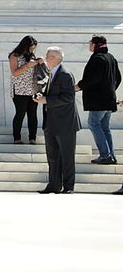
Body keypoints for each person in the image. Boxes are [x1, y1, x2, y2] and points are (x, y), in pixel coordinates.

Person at [35, 46, 79, 194]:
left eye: (47, 56)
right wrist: (41, 96)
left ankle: (68, 187)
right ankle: (53, 185)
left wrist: (47, 99)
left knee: (66, 156)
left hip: (65, 123)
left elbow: (69, 97)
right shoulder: (51, 73)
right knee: (52, 157)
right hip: (51, 122)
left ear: (53, 58)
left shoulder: (65, 74)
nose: (46, 58)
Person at [77, 35, 120, 165]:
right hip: (108, 100)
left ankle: (105, 155)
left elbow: (93, 78)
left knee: (94, 123)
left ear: (96, 44)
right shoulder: (111, 58)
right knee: (104, 127)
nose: (90, 45)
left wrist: (79, 86)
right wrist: (110, 90)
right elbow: (118, 78)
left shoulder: (98, 58)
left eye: (91, 43)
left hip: (99, 101)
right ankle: (110, 154)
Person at [8, 35, 42, 144]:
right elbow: (15, 72)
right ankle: (16, 138)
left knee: (33, 114)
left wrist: (40, 62)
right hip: (19, 90)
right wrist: (27, 65)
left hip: (32, 90)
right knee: (20, 113)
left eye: (34, 48)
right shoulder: (14, 56)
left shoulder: (31, 56)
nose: (32, 50)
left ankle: (32, 138)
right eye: (31, 47)